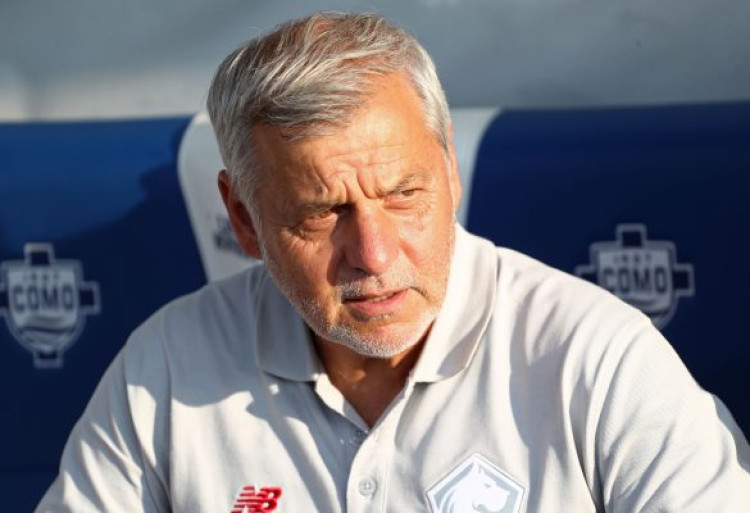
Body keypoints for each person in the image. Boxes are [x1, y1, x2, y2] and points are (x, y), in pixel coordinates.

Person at [36, 11, 750, 513]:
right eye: (322, 213)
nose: (374, 255)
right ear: (243, 219)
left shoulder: (595, 356)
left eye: (404, 195)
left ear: (450, 173)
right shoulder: (166, 365)